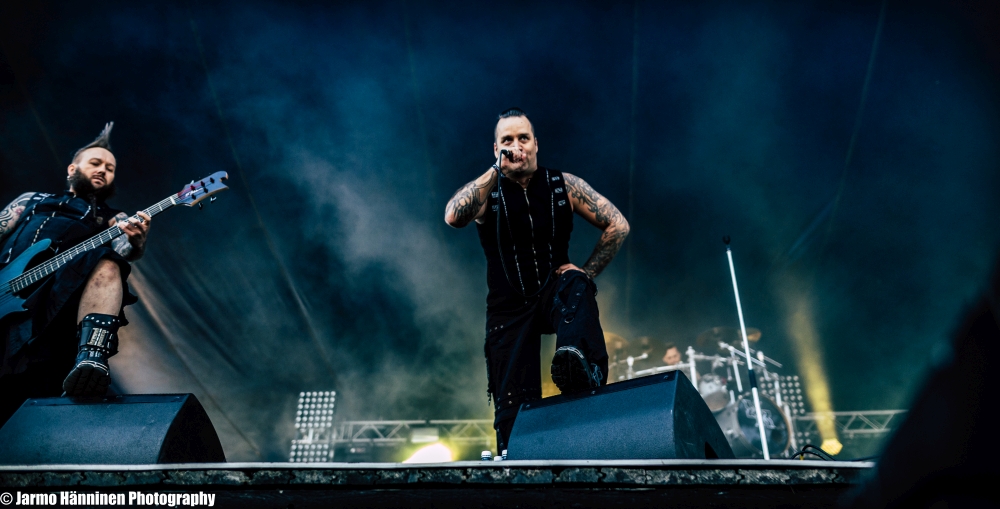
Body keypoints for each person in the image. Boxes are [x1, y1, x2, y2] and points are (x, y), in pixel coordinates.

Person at [444, 108, 630, 452]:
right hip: (507, 309)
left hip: (554, 293)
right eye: (507, 140)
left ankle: (576, 363)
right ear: (496, 149)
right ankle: (517, 464)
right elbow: (454, 216)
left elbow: (618, 224)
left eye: (523, 138)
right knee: (514, 415)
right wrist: (496, 169)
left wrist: (587, 271)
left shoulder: (564, 185)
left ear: (536, 144)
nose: (517, 146)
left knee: (576, 283)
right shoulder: (488, 191)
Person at [0, 123, 151, 424]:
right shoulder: (32, 200)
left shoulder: (113, 218)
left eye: (110, 168)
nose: (103, 170)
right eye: (95, 163)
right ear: (72, 169)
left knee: (108, 261)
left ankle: (92, 355)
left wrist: (136, 242)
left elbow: (123, 251)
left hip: (53, 304)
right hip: (5, 291)